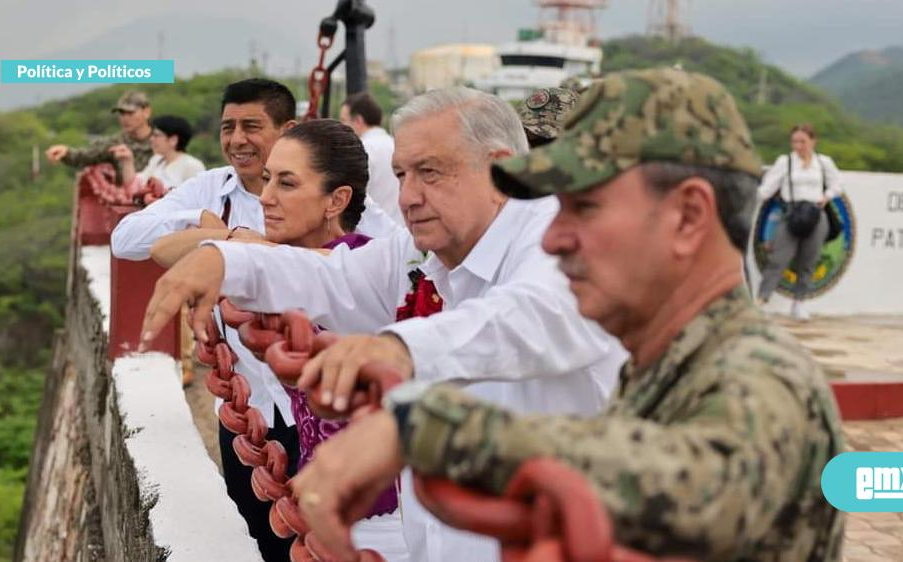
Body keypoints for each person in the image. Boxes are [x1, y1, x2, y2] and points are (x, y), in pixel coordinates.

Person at [284, 69, 845, 562]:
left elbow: (682, 481)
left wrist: (424, 430)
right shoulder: (666, 363)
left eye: (584, 207)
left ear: (687, 216)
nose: (552, 236)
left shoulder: (760, 378)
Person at [139, 87, 627, 562]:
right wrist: (225, 261)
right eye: (401, 174)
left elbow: (537, 315)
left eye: (429, 173)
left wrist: (398, 350)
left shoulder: (560, 233)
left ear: (499, 168)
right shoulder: (425, 249)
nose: (409, 196)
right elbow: (335, 277)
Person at [151, 119, 408, 561]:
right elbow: (163, 251)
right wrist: (231, 241)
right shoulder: (280, 263)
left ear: (337, 200)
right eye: (267, 179)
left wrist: (249, 251)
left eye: (286, 184)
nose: (266, 197)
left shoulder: (366, 268)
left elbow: (335, 268)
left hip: (384, 518)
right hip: (318, 497)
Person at [756, 123, 843, 321]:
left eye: (802, 141)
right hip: (792, 213)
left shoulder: (823, 162)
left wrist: (826, 196)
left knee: (808, 261)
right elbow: (767, 188)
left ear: (813, 141)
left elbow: (838, 184)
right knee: (779, 259)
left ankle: (799, 303)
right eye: (795, 141)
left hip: (815, 213)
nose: (798, 146)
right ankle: (762, 299)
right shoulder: (785, 162)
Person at [45, 90, 154, 185]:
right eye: (121, 113)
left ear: (146, 112)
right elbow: (86, 155)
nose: (125, 118)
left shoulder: (163, 140)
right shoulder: (116, 143)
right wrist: (66, 153)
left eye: (130, 113)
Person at [340, 92, 405, 225]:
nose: (341, 127)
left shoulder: (361, 150)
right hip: (403, 230)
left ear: (358, 120)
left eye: (343, 121)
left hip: (374, 233)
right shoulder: (396, 144)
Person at [111, 115, 206, 191]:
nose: (152, 139)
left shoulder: (192, 166)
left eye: (156, 135)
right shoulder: (157, 160)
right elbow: (136, 185)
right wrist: (128, 160)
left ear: (173, 140)